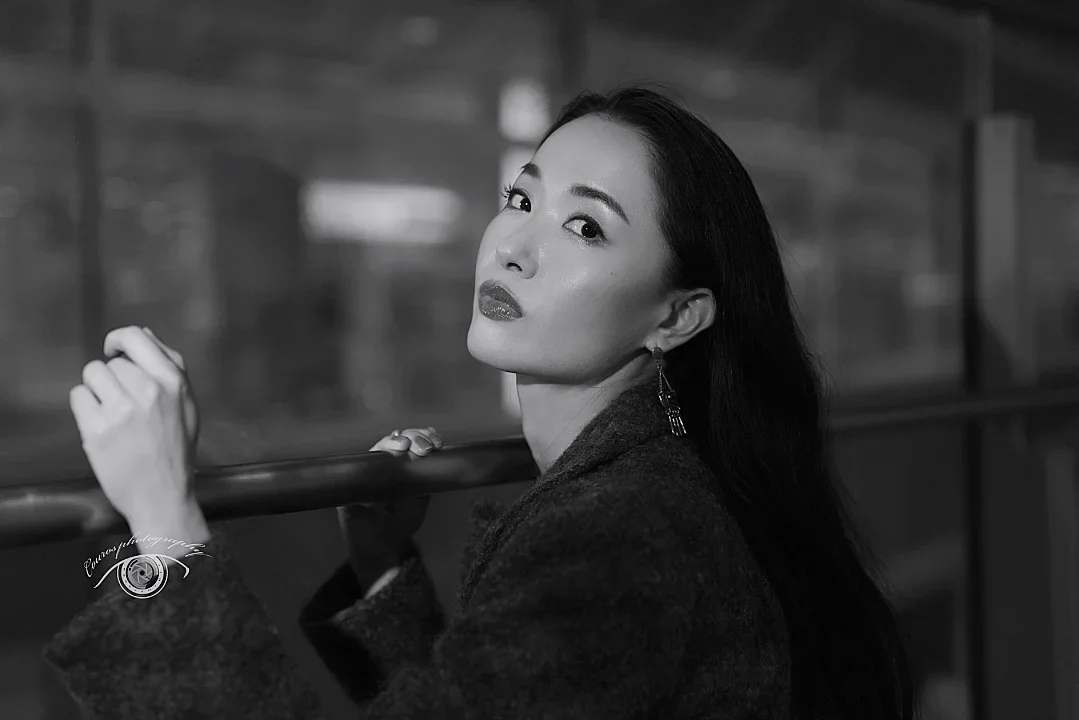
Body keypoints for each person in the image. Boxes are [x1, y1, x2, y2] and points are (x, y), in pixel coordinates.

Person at [45, 86, 913, 719]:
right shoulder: (652, 490)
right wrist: (381, 566)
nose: (513, 247)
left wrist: (163, 520)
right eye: (519, 199)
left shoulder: (627, 528)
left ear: (676, 316)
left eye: (584, 227)